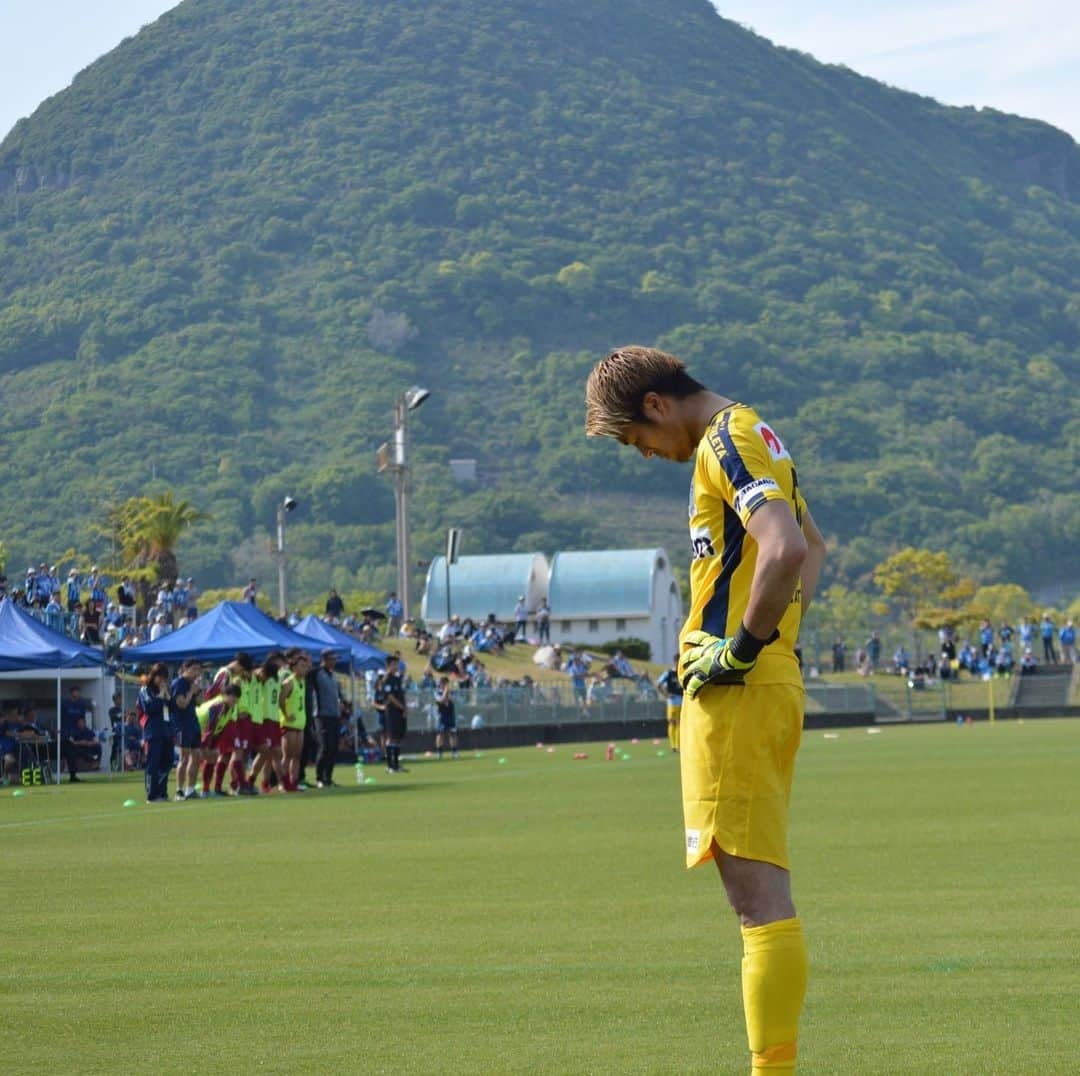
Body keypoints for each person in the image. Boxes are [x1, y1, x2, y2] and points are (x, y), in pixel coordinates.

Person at [585, 345, 827, 1073]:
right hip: (754, 685)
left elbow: (785, 549)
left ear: (657, 405)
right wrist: (777, 643)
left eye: (637, 439)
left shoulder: (727, 439)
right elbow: (813, 546)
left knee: (757, 902)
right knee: (757, 896)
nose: (647, 454)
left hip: (740, 691)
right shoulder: (749, 434)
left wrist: (744, 650)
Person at [206, 652, 256, 796]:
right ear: (239, 665)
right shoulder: (225, 673)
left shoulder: (230, 675)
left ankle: (228, 786)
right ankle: (235, 785)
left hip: (229, 718)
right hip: (225, 718)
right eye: (243, 669)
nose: (241, 673)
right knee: (228, 753)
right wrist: (222, 709)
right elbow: (212, 693)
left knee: (228, 753)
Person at [196, 684, 242, 796]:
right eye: (233, 696)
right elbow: (210, 727)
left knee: (212, 757)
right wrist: (205, 745)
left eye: (237, 698)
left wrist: (213, 745)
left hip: (203, 731)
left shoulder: (230, 707)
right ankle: (189, 790)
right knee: (195, 758)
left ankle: (206, 790)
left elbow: (219, 728)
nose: (235, 700)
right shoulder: (218, 706)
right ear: (225, 695)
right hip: (194, 728)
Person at [248, 652, 285, 794]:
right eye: (280, 662)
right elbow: (256, 675)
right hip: (264, 719)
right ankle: (251, 780)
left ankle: (265, 783)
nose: (282, 665)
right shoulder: (261, 674)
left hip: (274, 719)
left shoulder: (276, 678)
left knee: (272, 754)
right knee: (268, 752)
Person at [139, 662, 174, 803]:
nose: (162, 681)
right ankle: (152, 795)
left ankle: (162, 792)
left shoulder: (165, 691)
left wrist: (167, 696)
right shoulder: (145, 690)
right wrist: (160, 696)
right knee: (153, 764)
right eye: (159, 677)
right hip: (153, 731)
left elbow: (172, 708)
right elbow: (149, 708)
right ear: (153, 676)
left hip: (167, 730)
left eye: (164, 678)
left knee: (167, 762)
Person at [278, 650, 312, 792]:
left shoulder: (302, 682)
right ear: (294, 667)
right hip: (289, 724)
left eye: (305, 666)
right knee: (287, 756)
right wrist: (286, 715)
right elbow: (280, 700)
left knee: (297, 756)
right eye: (301, 666)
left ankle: (293, 782)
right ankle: (282, 784)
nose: (304, 668)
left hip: (300, 724)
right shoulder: (289, 682)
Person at [169, 659, 202, 800]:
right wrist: (191, 692)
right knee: (184, 757)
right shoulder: (178, 683)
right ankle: (179, 790)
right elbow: (181, 704)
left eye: (198, 670)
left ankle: (190, 789)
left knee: (196, 757)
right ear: (185, 669)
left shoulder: (192, 685)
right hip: (182, 724)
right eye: (194, 669)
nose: (196, 673)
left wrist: (198, 691)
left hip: (193, 723)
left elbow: (200, 702)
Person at [312, 649, 343, 788]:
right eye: (332, 658)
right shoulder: (317, 673)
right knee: (325, 747)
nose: (334, 661)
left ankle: (328, 778)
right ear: (324, 659)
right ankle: (319, 778)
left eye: (335, 659)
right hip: (322, 715)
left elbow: (338, 694)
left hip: (334, 715)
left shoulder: (333, 676)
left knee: (334, 748)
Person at [382, 655, 408, 773]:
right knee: (391, 738)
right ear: (388, 666)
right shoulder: (386, 679)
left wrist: (405, 708)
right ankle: (389, 766)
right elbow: (390, 697)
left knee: (398, 738)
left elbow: (401, 695)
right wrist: (402, 707)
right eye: (393, 664)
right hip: (392, 712)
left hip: (400, 712)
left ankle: (396, 765)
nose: (396, 666)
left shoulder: (397, 679)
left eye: (396, 664)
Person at [657, 655, 683, 752]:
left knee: (680, 723)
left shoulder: (683, 672)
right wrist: (666, 695)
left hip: (682, 701)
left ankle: (679, 745)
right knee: (672, 722)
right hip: (672, 701)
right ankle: (673, 746)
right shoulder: (668, 673)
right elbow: (658, 684)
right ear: (675, 662)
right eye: (678, 662)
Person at [434, 677, 459, 759]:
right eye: (441, 684)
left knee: (453, 733)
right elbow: (440, 701)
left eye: (444, 683)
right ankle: (439, 752)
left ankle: (454, 752)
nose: (442, 685)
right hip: (441, 715)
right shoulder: (437, 692)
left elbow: (454, 701)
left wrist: (448, 693)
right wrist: (445, 692)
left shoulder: (452, 692)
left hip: (450, 715)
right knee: (440, 734)